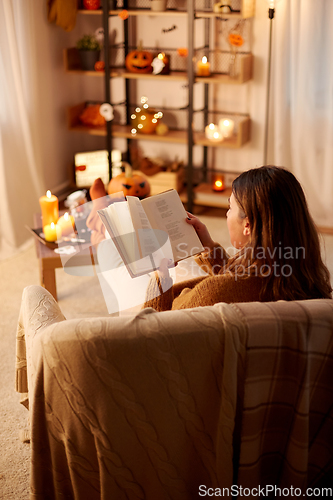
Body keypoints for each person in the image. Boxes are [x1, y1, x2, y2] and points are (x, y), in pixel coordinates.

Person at [143, 166, 332, 312]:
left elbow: (153, 327)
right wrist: (208, 247)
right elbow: (239, 284)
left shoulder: (213, 293)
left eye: (229, 208)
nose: (227, 214)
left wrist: (161, 275)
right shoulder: (306, 278)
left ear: (247, 225)